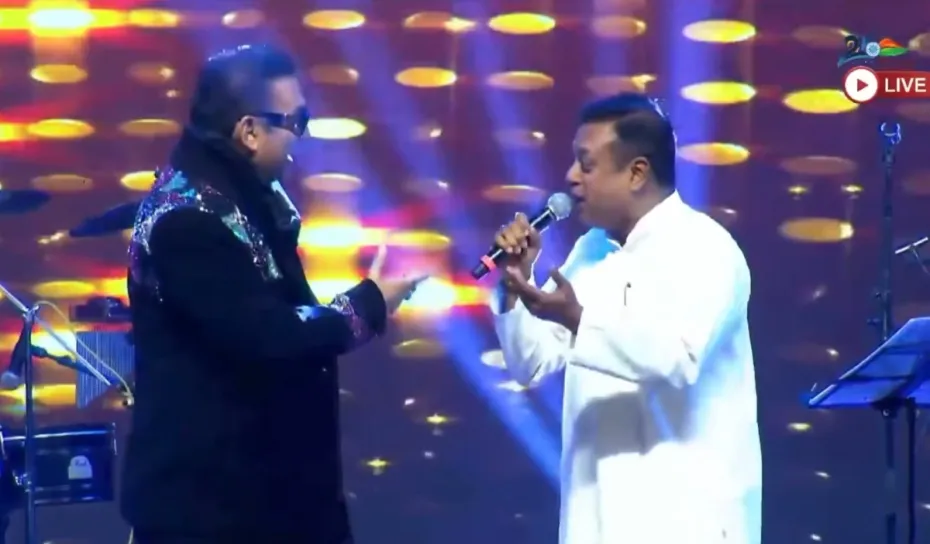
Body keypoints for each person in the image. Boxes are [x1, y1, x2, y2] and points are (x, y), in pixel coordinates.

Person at [122, 44, 423, 544]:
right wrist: (367, 304)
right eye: (296, 121)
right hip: (212, 514)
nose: (300, 136)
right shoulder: (188, 221)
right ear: (249, 131)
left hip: (270, 502)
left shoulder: (244, 201)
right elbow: (269, 335)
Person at [490, 93, 761, 544]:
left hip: (686, 523)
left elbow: (678, 360)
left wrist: (579, 320)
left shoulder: (705, 249)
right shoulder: (590, 250)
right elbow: (531, 363)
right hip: (595, 520)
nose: (570, 178)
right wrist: (514, 285)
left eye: (586, 164)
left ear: (637, 172)